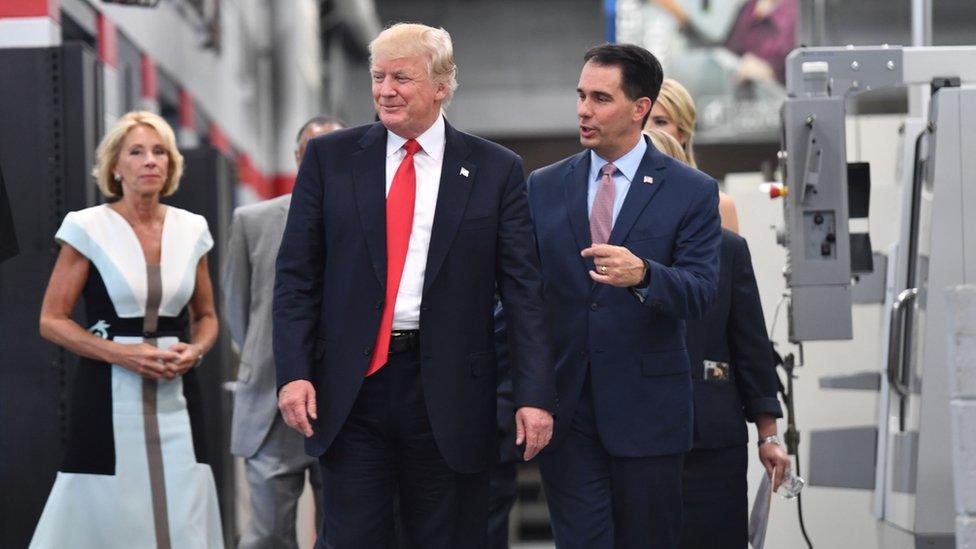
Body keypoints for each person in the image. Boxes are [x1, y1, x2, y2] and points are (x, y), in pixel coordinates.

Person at [273, 23, 556, 548]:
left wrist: (533, 395)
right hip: (352, 388)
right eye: (378, 76)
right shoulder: (330, 159)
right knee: (353, 537)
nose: (385, 90)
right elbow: (297, 276)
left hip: (449, 393)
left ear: (443, 85)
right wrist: (293, 372)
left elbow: (524, 294)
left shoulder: (495, 170)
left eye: (401, 77)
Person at [528, 43, 722, 548]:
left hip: (648, 411)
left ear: (639, 109)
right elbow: (521, 295)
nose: (583, 110)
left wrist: (645, 275)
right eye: (580, 95)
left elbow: (701, 293)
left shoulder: (691, 191)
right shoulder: (544, 186)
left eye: (600, 98)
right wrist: (524, 392)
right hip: (565, 410)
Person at [31, 111, 223, 548]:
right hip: (106, 390)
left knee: (184, 502)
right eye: (136, 152)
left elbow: (207, 316)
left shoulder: (193, 229)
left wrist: (196, 350)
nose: (150, 161)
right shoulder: (87, 226)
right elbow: (52, 320)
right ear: (115, 166)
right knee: (105, 505)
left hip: (178, 393)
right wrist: (122, 353)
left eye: (160, 152)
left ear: (171, 165)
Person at [649, 122, 792, 549]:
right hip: (637, 440)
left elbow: (749, 345)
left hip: (711, 436)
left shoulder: (726, 249)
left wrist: (768, 434)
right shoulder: (609, 257)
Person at [223, 115, 343, 549]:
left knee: (346, 532)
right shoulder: (252, 221)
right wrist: (267, 358)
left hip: (344, 408)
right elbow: (238, 308)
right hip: (269, 406)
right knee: (267, 535)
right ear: (297, 159)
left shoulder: (373, 223)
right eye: (314, 152)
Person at [645, 77, 740, 233]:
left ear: (683, 133)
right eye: (641, 121)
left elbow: (727, 257)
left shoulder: (718, 204)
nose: (647, 130)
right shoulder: (617, 195)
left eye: (660, 122)